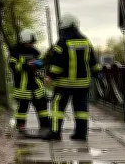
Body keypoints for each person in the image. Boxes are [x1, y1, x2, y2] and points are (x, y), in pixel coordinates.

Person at [44, 13, 102, 141]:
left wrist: (50, 76)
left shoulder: (62, 41)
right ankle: (81, 134)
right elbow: (93, 60)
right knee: (81, 109)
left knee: (57, 107)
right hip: (82, 84)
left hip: (64, 84)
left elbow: (58, 62)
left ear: (64, 25)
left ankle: (55, 133)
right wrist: (97, 73)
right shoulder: (85, 40)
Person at [8, 29, 50, 137]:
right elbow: (12, 66)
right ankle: (21, 127)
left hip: (36, 84)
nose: (31, 45)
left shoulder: (35, 51)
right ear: (24, 40)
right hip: (22, 86)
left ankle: (45, 126)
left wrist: (38, 63)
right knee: (22, 109)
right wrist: (26, 65)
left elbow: (41, 62)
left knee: (42, 107)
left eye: (32, 43)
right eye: (29, 42)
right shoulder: (15, 51)